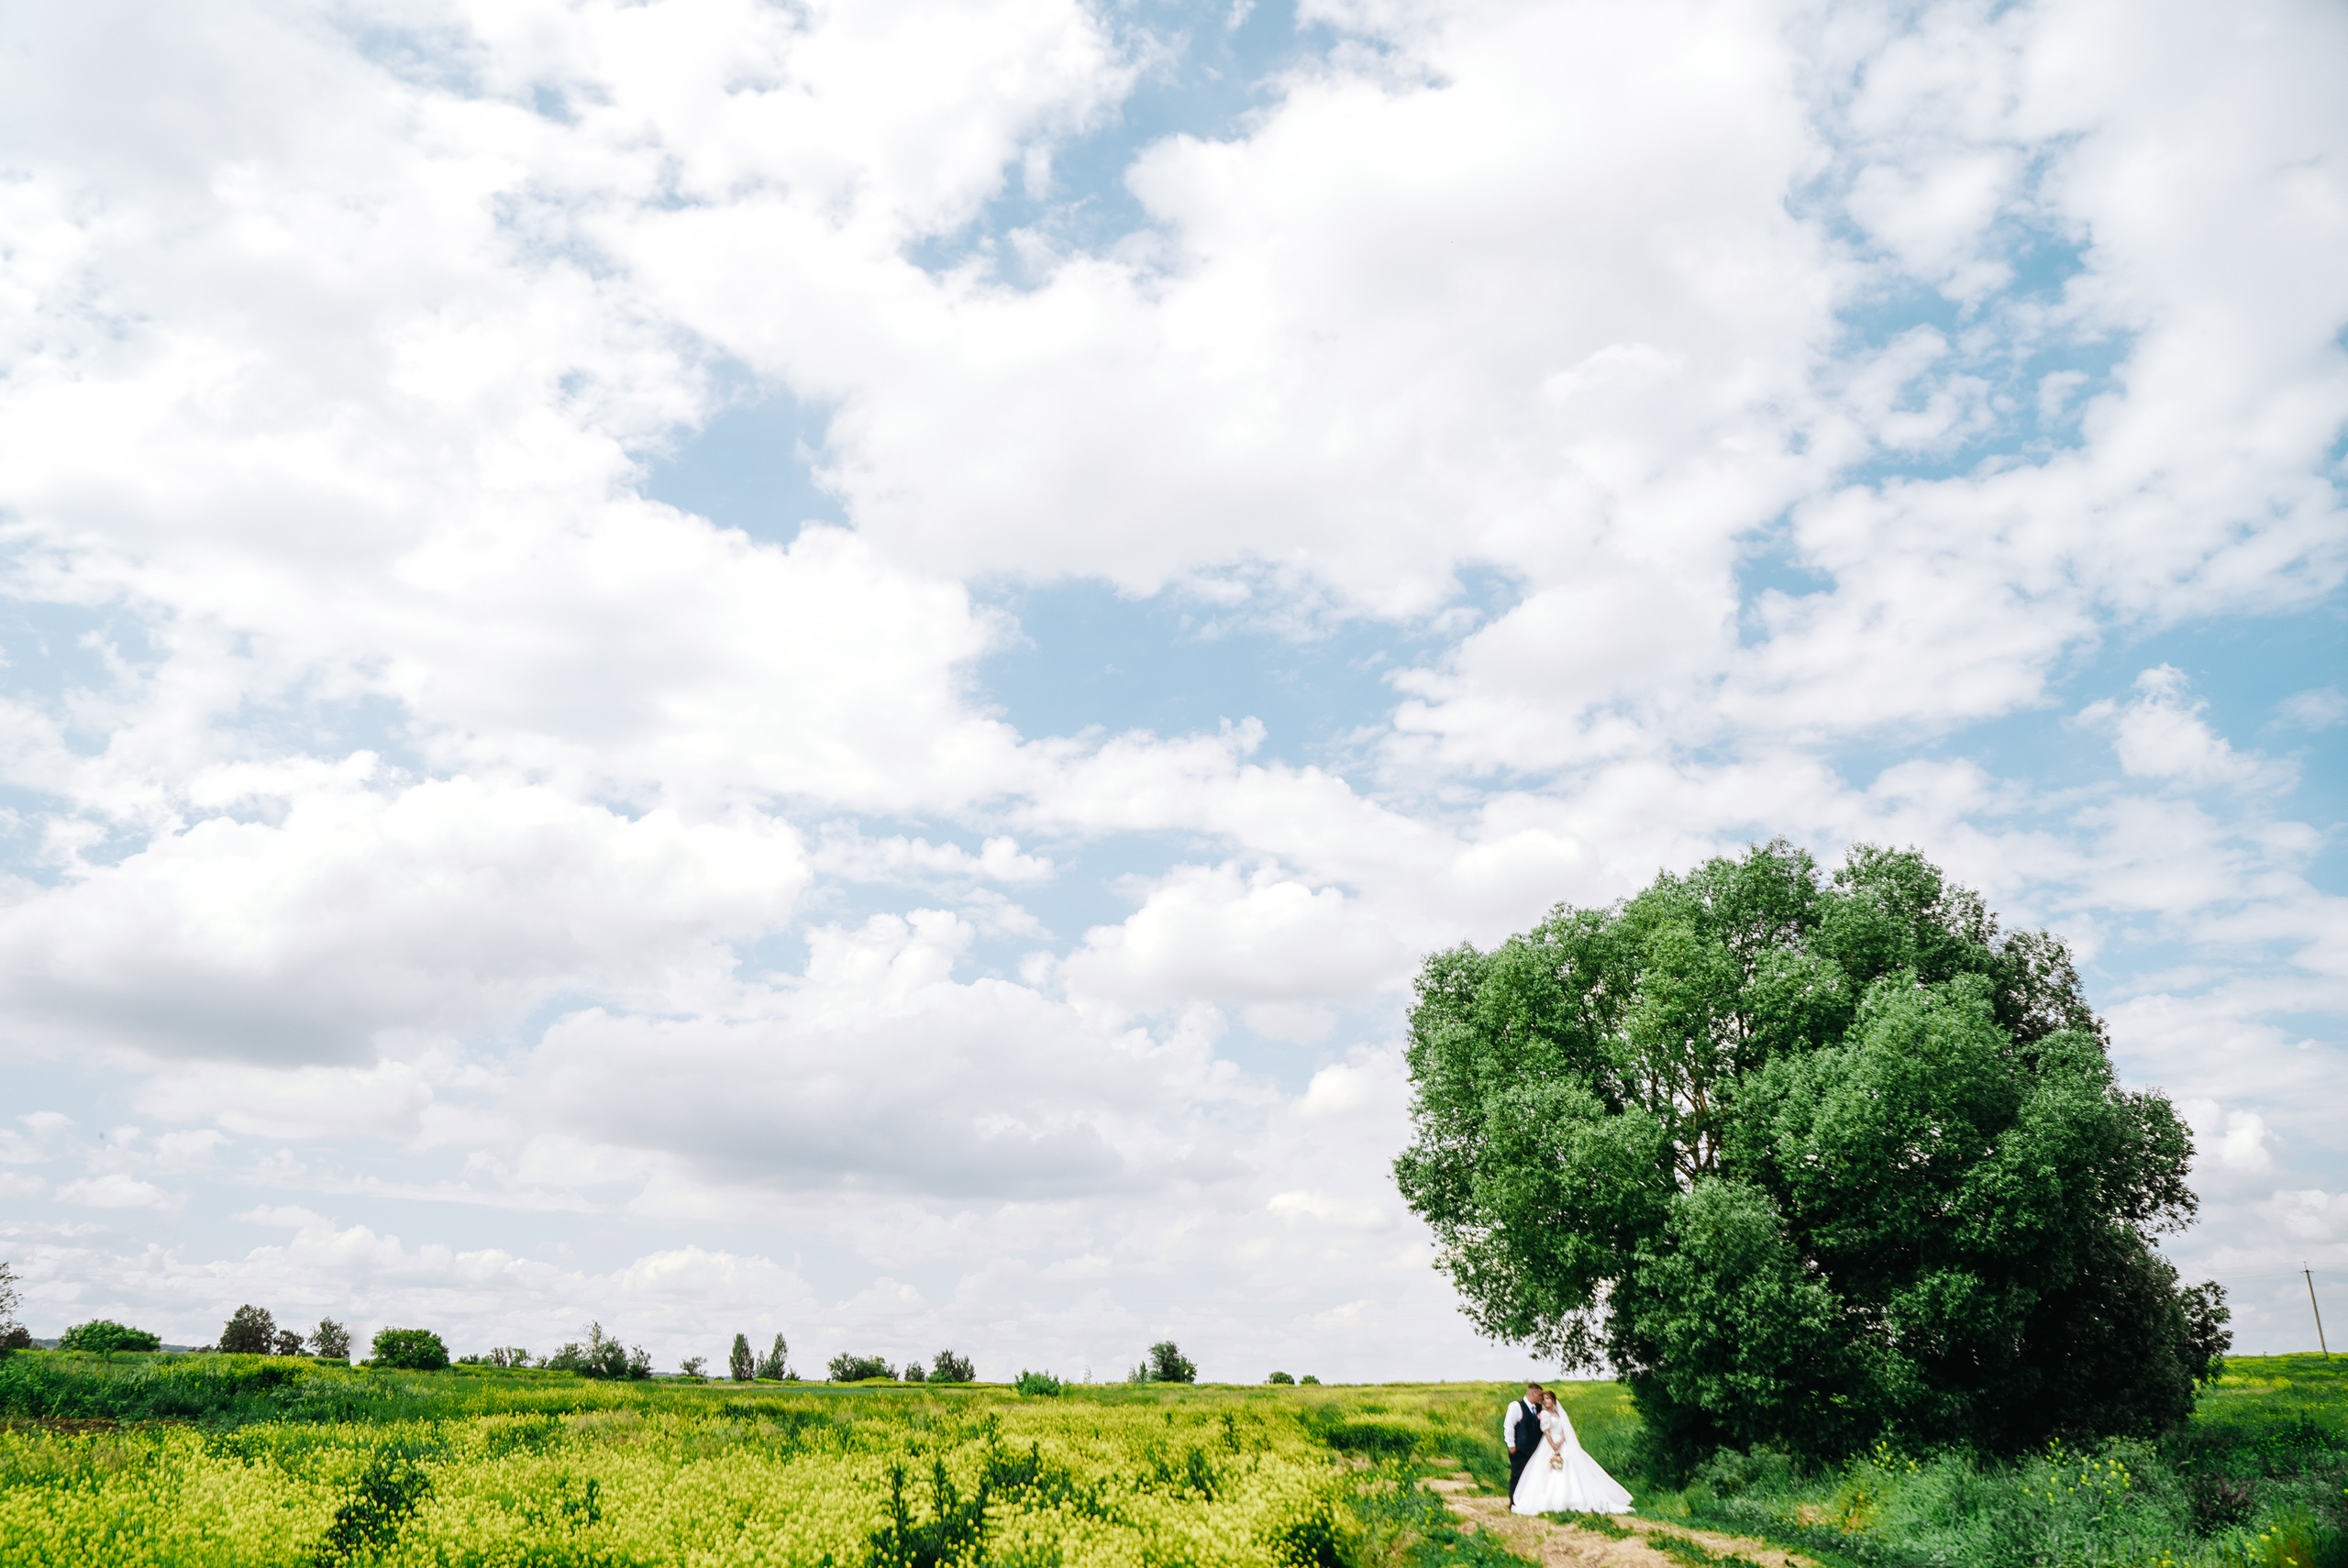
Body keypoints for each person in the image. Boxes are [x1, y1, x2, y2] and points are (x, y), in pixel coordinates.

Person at [1511, 1389, 1634, 1517]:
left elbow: (1566, 1430)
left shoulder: (1559, 1414)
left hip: (1562, 1443)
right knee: (1550, 1468)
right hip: (1549, 1443)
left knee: (1569, 1464)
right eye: (1544, 1399)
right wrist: (1553, 1444)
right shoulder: (1545, 1414)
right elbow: (1546, 1430)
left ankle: (1573, 1497)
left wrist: (1561, 1441)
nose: (1545, 1401)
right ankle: (1551, 1498)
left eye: (1547, 1399)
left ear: (1553, 1400)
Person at [1501, 1382, 1545, 1499]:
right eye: (1540, 1395)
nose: (1541, 1398)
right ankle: (1514, 1501)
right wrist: (1511, 1445)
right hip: (1520, 1449)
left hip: (1535, 1450)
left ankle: (1529, 1500)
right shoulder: (1516, 1406)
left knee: (1533, 1476)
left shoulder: (1539, 1408)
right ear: (1533, 1393)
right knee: (1517, 1475)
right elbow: (1509, 1426)